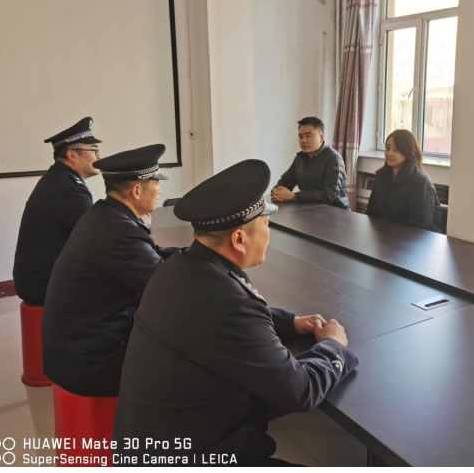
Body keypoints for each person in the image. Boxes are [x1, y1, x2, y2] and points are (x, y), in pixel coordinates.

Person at [113, 159, 358, 466]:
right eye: (266, 225)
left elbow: (225, 315)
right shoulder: (228, 303)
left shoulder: (179, 268)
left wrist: (291, 323)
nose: (268, 233)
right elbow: (302, 390)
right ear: (239, 239)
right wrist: (333, 345)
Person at [42, 144, 182, 396]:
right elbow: (166, 287)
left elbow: (151, 255)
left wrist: (190, 255)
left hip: (76, 348)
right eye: (156, 182)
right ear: (137, 190)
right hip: (90, 363)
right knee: (190, 342)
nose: (160, 190)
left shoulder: (105, 214)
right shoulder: (120, 231)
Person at [13, 116, 102, 305]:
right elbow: (99, 233)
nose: (99, 157)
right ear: (72, 155)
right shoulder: (67, 188)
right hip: (43, 284)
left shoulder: (61, 178)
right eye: (94, 150)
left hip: (40, 277)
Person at [367, 129, 441, 232]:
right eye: (387, 148)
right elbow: (371, 213)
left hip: (417, 239)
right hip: (386, 236)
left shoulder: (420, 182)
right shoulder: (381, 176)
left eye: (396, 149)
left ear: (407, 151)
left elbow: (420, 227)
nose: (389, 153)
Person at [271, 116, 351, 209]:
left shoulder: (333, 158)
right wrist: (276, 193)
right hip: (308, 210)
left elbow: (329, 195)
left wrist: (294, 196)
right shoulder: (300, 158)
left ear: (321, 137)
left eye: (308, 136)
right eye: (301, 137)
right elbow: (284, 182)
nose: (303, 140)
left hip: (336, 212)